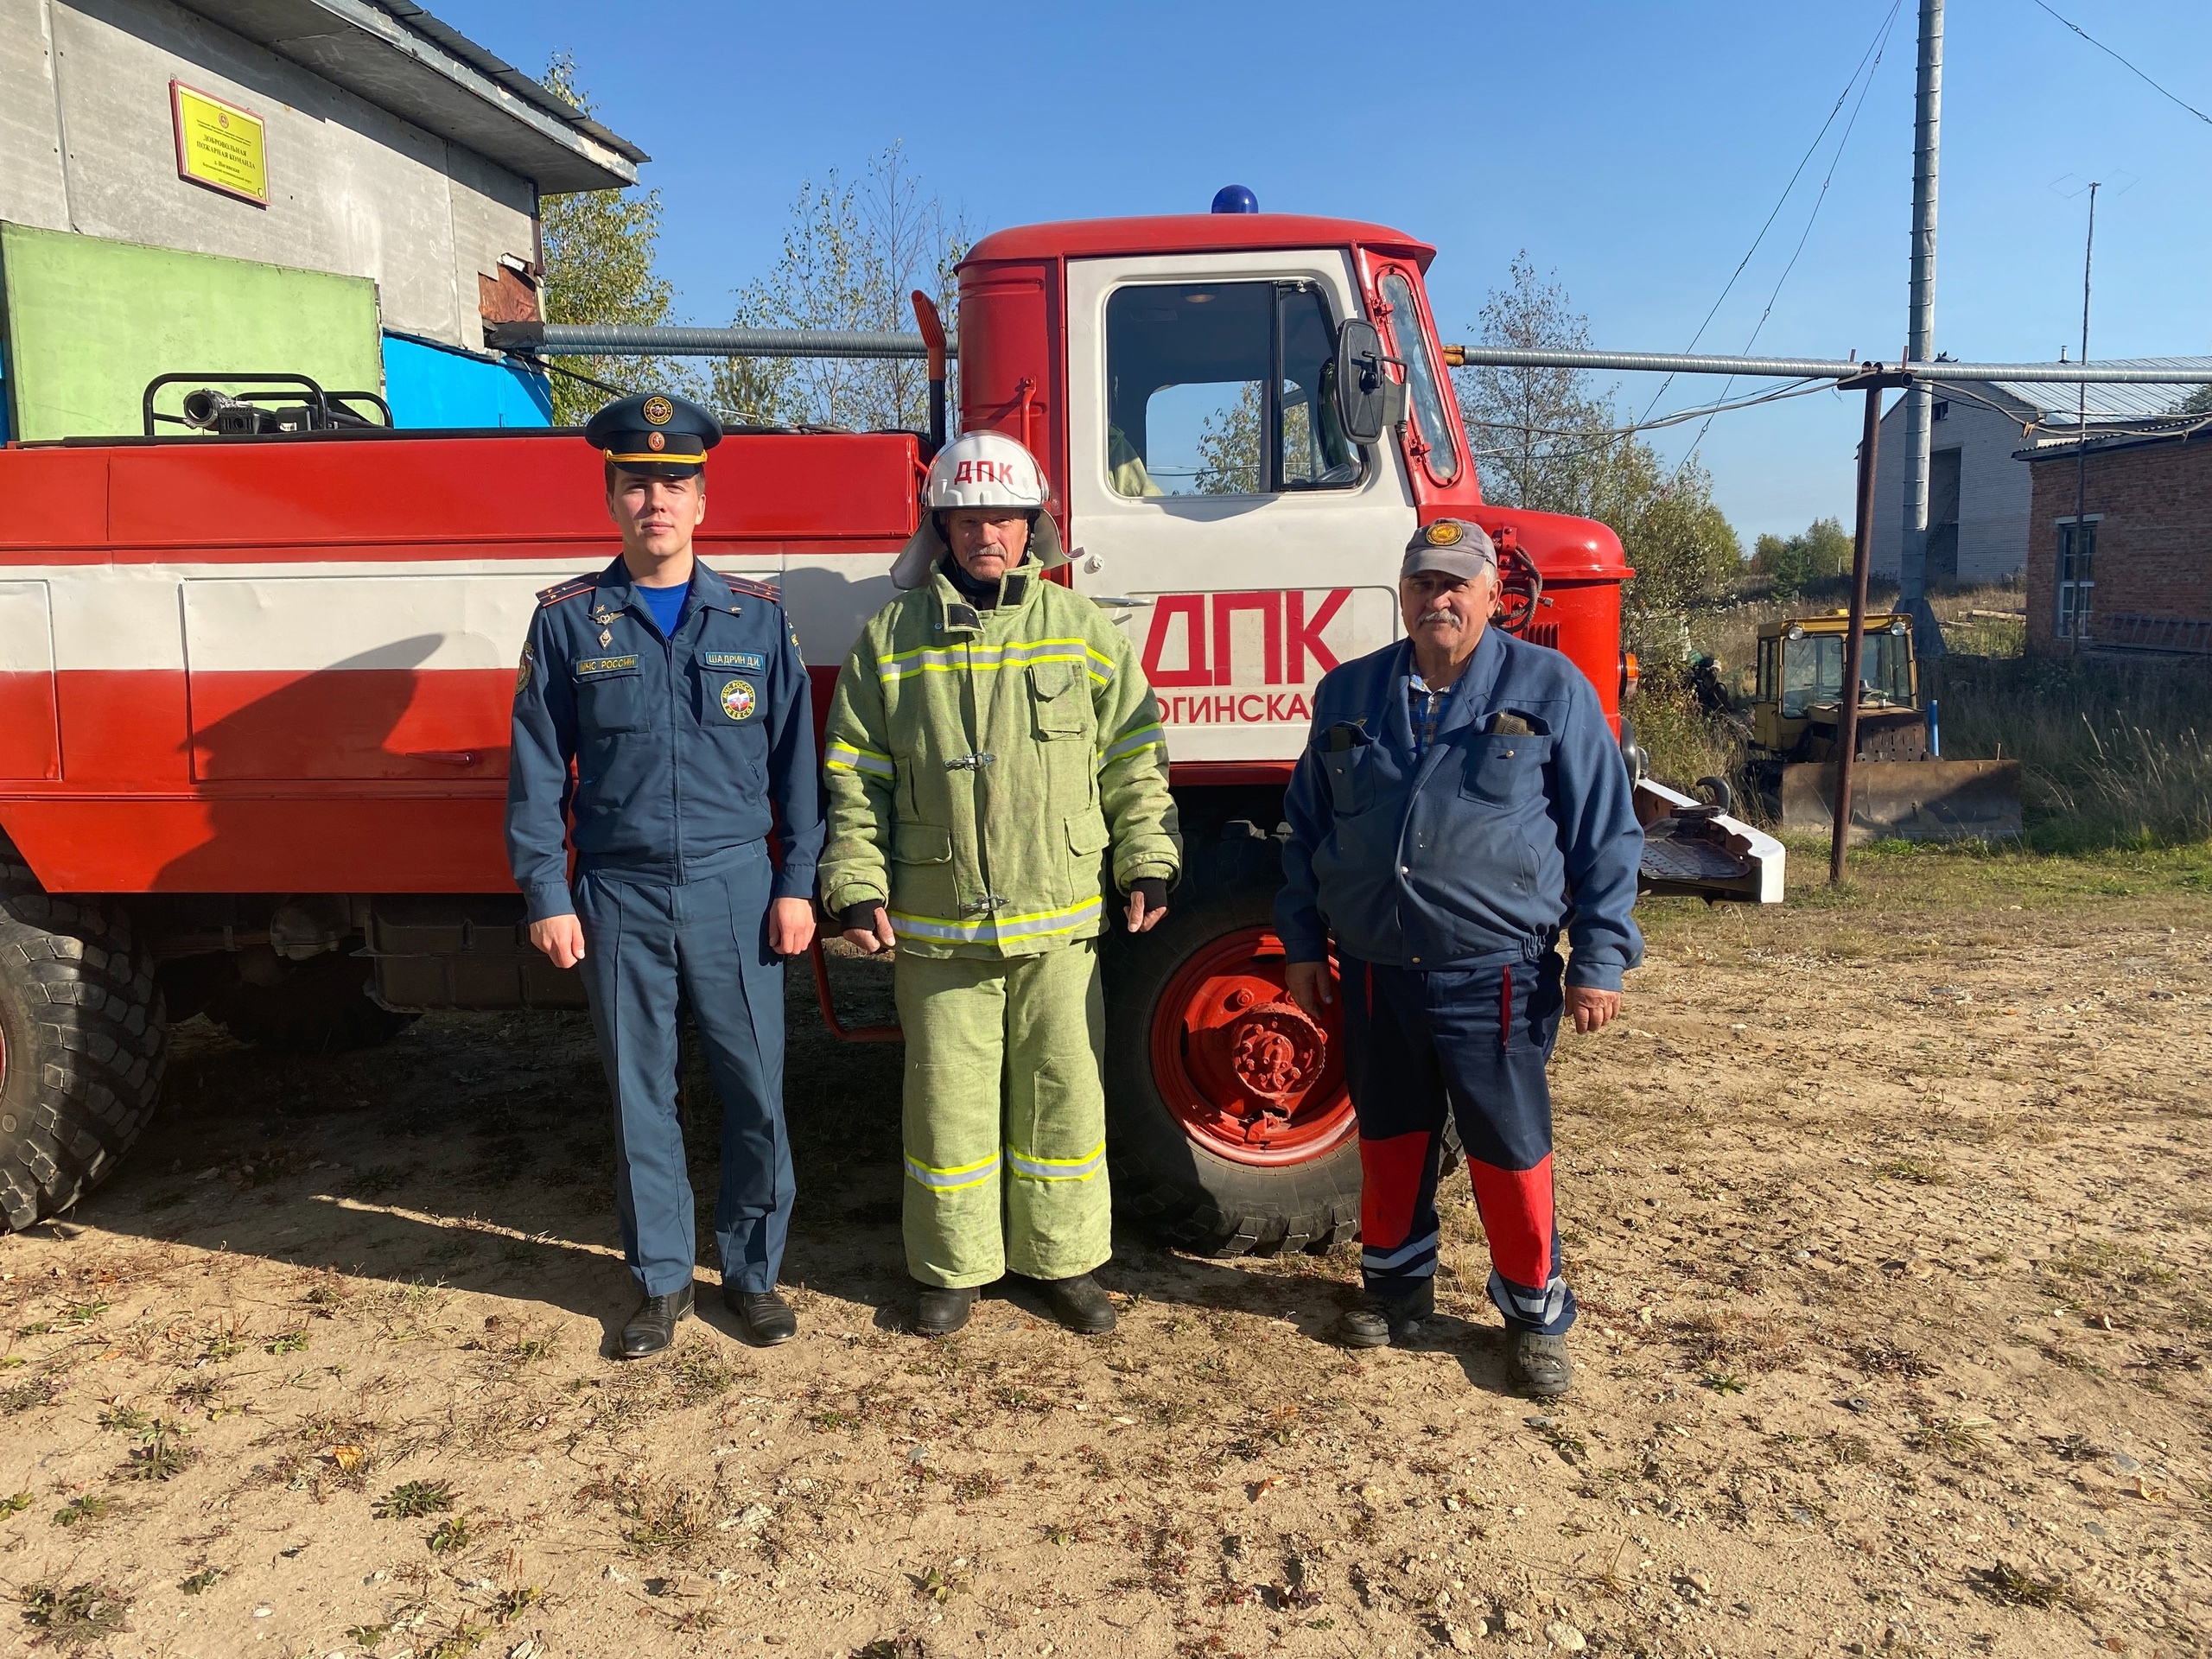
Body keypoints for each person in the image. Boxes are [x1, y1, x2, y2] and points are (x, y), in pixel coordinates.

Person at [819, 430, 1179, 1338]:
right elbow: (853, 777)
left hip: (1057, 917)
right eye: (970, 515)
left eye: (1006, 516)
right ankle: (953, 1268)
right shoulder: (889, 641)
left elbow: (1133, 758)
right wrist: (855, 882)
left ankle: (1065, 1262)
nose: (989, 532)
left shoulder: (1083, 631)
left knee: (1065, 1095)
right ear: (940, 526)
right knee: (947, 1105)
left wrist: (1148, 857)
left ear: (1035, 527)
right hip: (937, 927)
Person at [1275, 518, 1643, 1397]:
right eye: (1423, 583)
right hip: (1372, 969)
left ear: (1491, 596)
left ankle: (1533, 1312)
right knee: (1391, 1139)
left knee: (1509, 1150)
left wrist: (1599, 955)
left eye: (1456, 583)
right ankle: (1395, 1290)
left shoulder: (1548, 688)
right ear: (1401, 595)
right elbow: (1304, 829)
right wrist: (1298, 944)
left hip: (1495, 973)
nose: (1439, 598)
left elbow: (1605, 830)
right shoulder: (1349, 694)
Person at [506, 391, 823, 1359]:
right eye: (638, 484)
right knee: (642, 1093)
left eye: (675, 484)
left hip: (736, 886)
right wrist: (547, 894)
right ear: (612, 499)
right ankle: (658, 1283)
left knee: (755, 1089)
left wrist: (797, 881)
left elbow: (797, 768)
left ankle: (755, 1276)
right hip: (619, 891)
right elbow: (532, 771)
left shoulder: (757, 620)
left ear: (702, 503)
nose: (657, 501)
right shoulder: (569, 624)